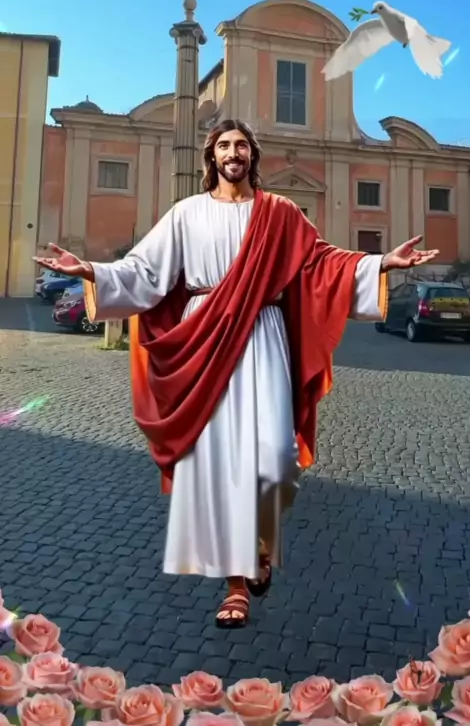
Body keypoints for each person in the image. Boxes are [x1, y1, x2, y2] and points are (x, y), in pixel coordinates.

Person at [34, 119, 439, 629]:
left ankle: (261, 545)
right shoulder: (187, 213)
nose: (233, 153)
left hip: (263, 334)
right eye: (224, 145)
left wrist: (380, 263)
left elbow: (321, 263)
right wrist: (91, 270)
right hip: (203, 337)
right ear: (212, 156)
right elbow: (145, 272)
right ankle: (235, 584)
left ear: (252, 156)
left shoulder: (280, 212)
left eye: (241, 145)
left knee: (276, 458)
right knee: (219, 465)